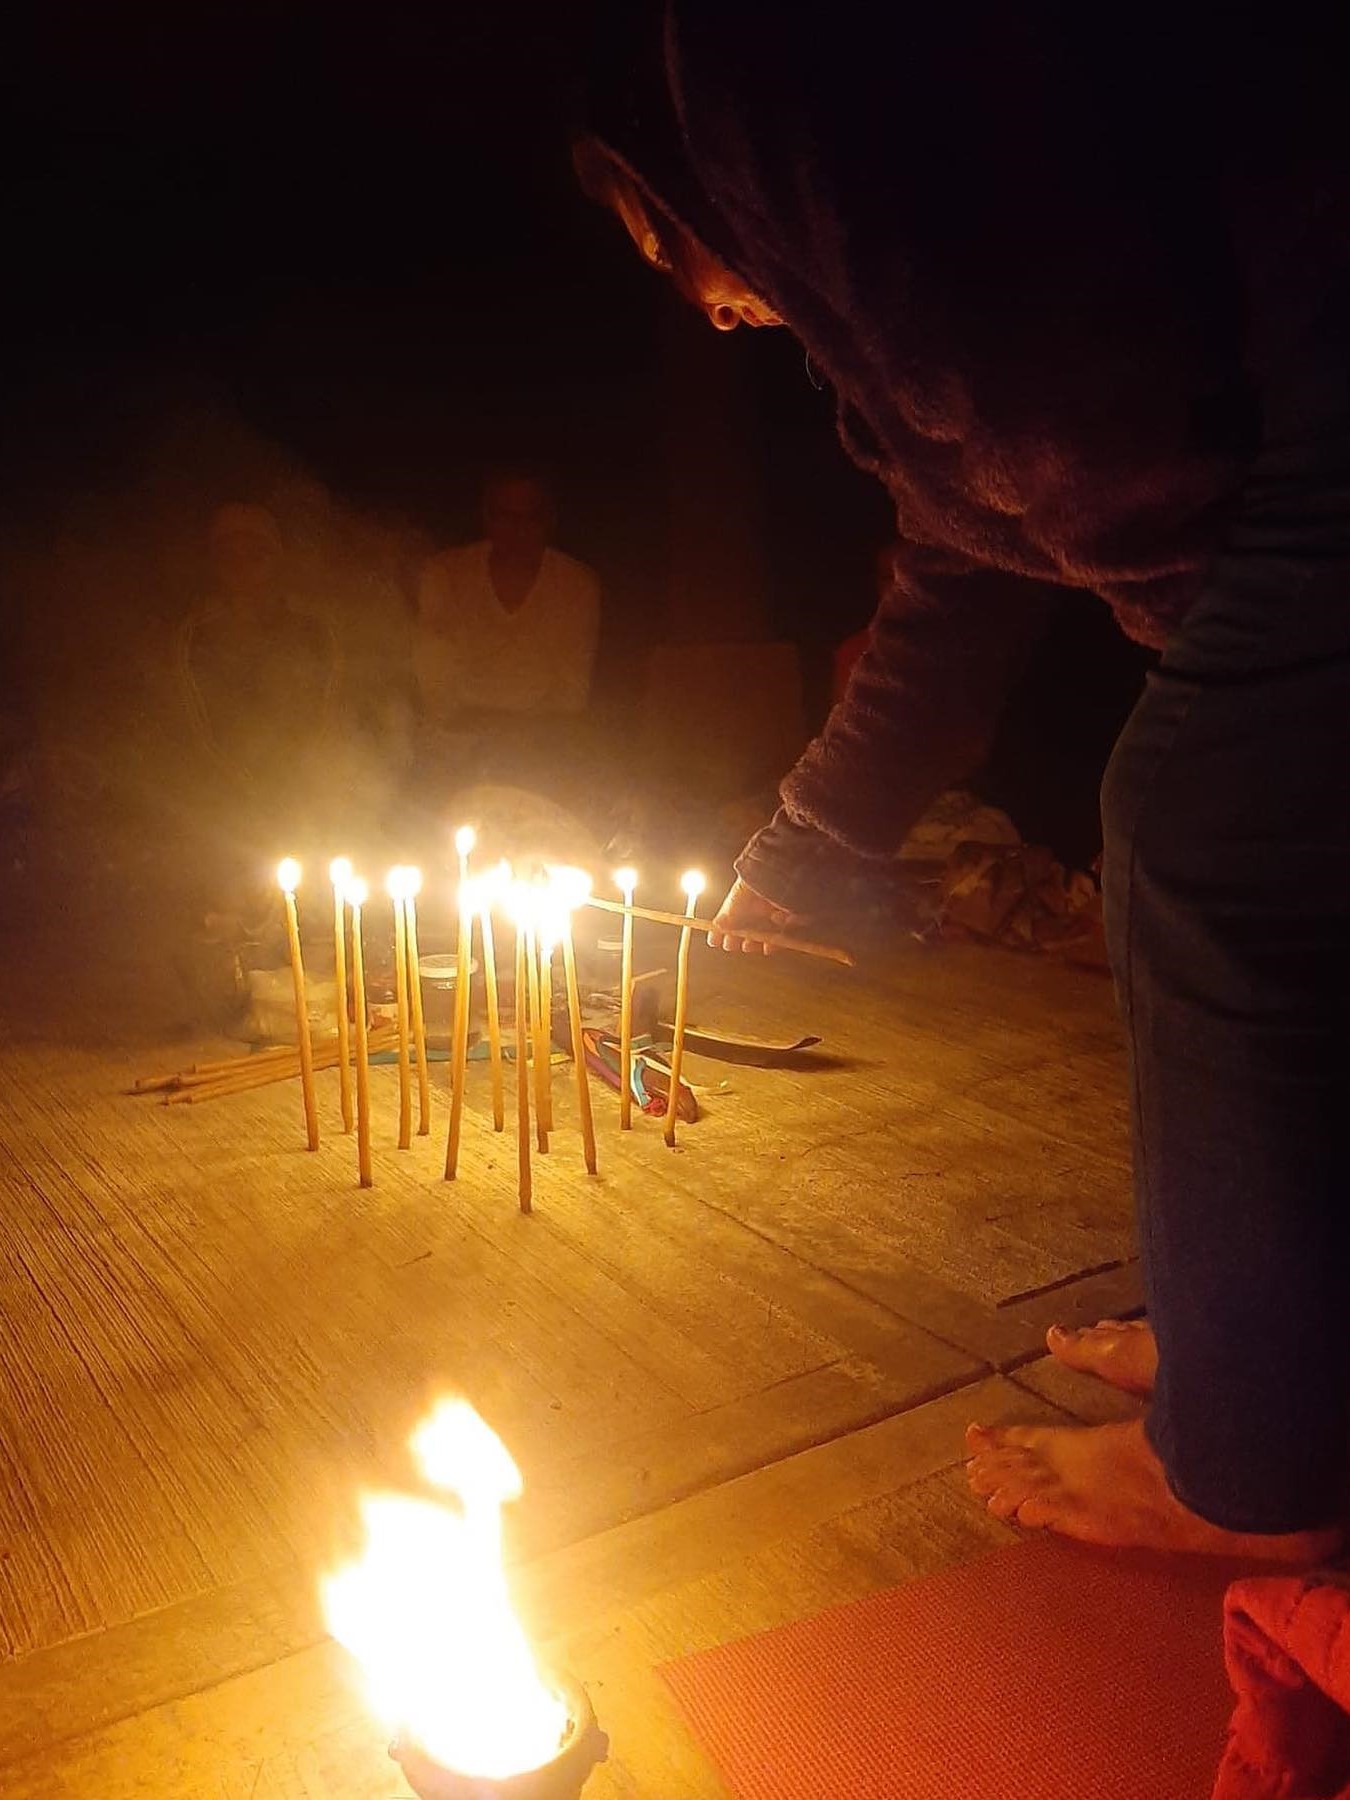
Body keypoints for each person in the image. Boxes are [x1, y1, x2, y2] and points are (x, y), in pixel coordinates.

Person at [578, 8, 1350, 1561]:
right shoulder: (930, 294)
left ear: (725, 190)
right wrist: (811, 839)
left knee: (1194, 833)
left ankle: (1253, 1474)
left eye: (674, 253)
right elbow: (968, 543)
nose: (708, 313)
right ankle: (1264, 1354)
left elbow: (1021, 485)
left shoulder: (839, 117)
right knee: (1253, 872)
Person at [415, 467, 600, 724]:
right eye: (505, 516)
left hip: (542, 739)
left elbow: (572, 694)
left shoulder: (575, 585)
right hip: (454, 739)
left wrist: (517, 732)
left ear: (550, 519)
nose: (518, 529)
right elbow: (434, 683)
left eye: (531, 517)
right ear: (486, 516)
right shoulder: (445, 574)